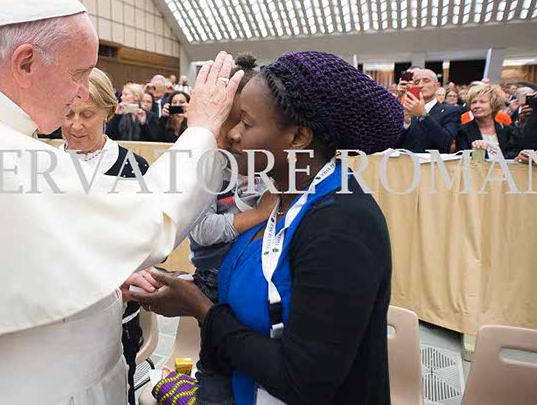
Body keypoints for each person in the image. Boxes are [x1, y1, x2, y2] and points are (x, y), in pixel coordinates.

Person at [0, 0, 242, 405]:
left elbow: (11, 265)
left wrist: (95, 276)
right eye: (78, 73)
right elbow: (146, 218)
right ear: (25, 63)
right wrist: (203, 130)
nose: (82, 91)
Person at [134, 51, 402, 405]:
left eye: (246, 123)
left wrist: (201, 308)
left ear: (298, 137)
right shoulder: (281, 201)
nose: (231, 134)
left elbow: (303, 380)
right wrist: (183, 289)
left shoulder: (343, 225)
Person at [187, 53, 275, 405]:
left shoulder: (269, 165)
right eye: (228, 120)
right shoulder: (207, 166)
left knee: (253, 366)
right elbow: (203, 231)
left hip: (255, 284)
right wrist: (256, 215)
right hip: (212, 281)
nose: (236, 133)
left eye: (246, 122)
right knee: (218, 368)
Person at [59, 68, 150, 405]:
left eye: (87, 114)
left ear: (108, 113)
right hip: (55, 318)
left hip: (115, 313)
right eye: (67, 113)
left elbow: (151, 243)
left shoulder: (134, 168)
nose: (75, 125)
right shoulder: (42, 166)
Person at [397, 69, 461, 153]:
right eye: (416, 82)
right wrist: (406, 123)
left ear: (437, 86)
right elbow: (394, 144)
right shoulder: (407, 110)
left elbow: (445, 142)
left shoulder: (451, 111)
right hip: (405, 163)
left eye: (426, 81)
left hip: (433, 164)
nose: (420, 85)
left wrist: (423, 115)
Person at [455, 83, 521, 159]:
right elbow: (462, 158)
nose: (477, 106)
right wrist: (476, 152)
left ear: (493, 105)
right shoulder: (463, 131)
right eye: (473, 102)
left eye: (482, 102)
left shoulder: (508, 131)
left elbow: (512, 155)